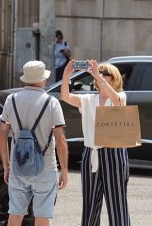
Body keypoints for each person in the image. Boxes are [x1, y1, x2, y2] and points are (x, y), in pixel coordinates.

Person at [60, 59, 131, 226]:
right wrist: (66, 74)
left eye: (106, 74)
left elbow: (116, 102)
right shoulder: (89, 99)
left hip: (113, 153)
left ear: (115, 78)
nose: (102, 77)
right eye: (101, 74)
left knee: (117, 204)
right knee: (90, 205)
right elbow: (65, 96)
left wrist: (97, 76)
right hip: (91, 154)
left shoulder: (121, 96)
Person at [0, 60, 68, 226]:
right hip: (46, 168)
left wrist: (7, 166)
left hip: (18, 166)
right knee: (42, 216)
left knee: (14, 214)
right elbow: (60, 138)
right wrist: (64, 169)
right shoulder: (51, 102)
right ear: (43, 79)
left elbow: (2, 135)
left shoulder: (11, 100)